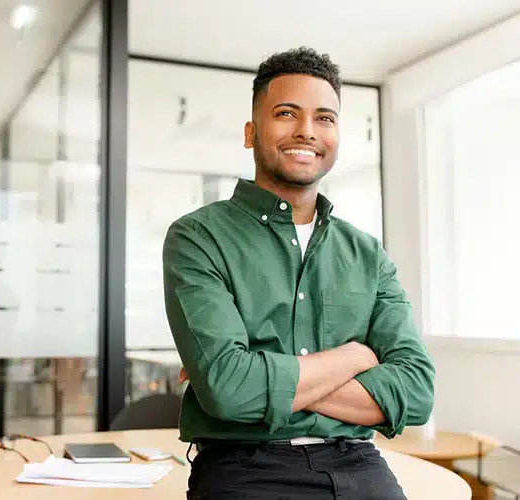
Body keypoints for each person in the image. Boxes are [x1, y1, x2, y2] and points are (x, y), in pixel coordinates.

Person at [162, 47, 435, 499]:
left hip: (358, 465)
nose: (306, 131)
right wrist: (354, 356)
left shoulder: (368, 254)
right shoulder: (198, 237)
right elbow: (228, 391)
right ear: (251, 133)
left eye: (324, 118)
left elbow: (418, 391)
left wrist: (258, 380)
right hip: (243, 470)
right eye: (286, 113)